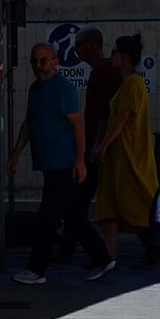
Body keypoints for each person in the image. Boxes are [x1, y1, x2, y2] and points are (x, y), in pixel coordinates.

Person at [8, 43, 113, 284]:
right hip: (48, 163)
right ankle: (103, 258)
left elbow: (77, 126)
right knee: (71, 215)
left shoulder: (64, 88)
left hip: (63, 163)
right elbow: (29, 123)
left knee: (48, 218)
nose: (39, 66)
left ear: (55, 61)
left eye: (44, 60)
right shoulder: (35, 89)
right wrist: (16, 153)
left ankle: (37, 269)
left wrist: (79, 160)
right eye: (35, 61)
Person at [90, 33, 160, 271]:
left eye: (114, 53)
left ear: (124, 57)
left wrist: (103, 145)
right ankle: (109, 256)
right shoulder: (127, 83)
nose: (111, 57)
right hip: (118, 158)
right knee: (110, 207)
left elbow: (122, 118)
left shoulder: (132, 83)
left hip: (129, 156)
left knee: (136, 205)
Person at [53, 27, 117, 265]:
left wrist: (97, 144)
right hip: (94, 144)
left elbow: (105, 113)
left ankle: (91, 253)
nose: (75, 49)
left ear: (91, 44)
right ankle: (68, 250)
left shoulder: (104, 72)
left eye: (78, 44)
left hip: (96, 146)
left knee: (77, 200)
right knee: (78, 199)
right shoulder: (99, 72)